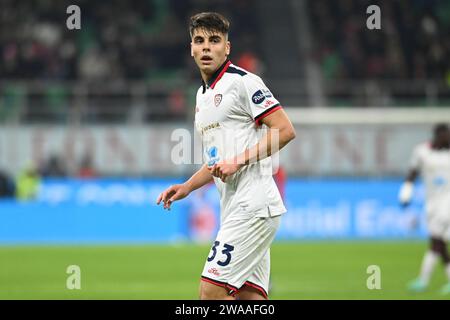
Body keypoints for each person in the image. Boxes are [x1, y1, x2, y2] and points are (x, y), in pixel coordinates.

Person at [156, 12, 296, 300]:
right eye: (199, 41)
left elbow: (284, 130)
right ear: (191, 48)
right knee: (249, 298)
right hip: (234, 207)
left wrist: (239, 161)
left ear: (226, 48)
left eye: (214, 40)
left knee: (210, 293)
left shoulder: (244, 82)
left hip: (253, 205)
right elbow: (217, 161)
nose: (206, 47)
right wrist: (188, 186)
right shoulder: (202, 96)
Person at [400, 123, 450, 294]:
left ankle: (423, 280)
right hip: (432, 204)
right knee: (439, 243)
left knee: (436, 241)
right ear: (437, 136)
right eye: (446, 135)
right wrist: (406, 193)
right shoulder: (422, 151)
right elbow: (412, 172)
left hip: (447, 203)